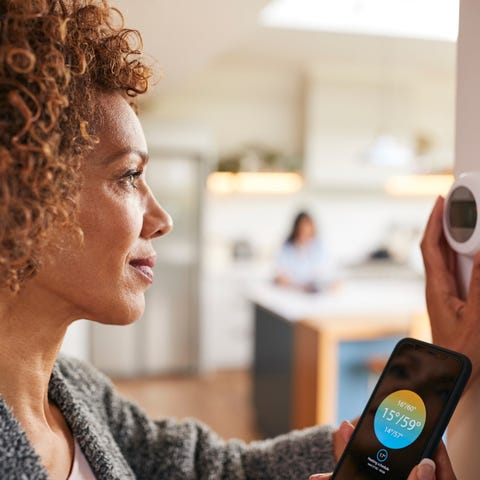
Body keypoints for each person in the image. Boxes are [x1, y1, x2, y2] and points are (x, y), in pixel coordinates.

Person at [0, 1, 461, 479]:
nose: (161, 219)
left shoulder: (76, 390)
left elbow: (214, 470)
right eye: (129, 176)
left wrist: (359, 450)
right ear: (16, 192)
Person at [274, 211, 333, 293]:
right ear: (296, 229)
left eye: (307, 229)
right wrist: (297, 286)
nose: (304, 232)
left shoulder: (319, 246)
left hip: (314, 291)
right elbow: (280, 276)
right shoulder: (287, 247)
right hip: (292, 291)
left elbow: (326, 271)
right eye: (301, 229)